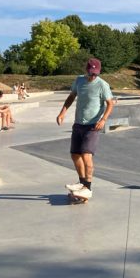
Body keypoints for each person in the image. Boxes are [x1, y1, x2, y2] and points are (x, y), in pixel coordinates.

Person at [56, 58, 114, 201]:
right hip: (78, 123)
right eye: (90, 73)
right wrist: (62, 112)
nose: (92, 76)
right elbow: (71, 96)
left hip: (93, 126)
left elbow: (110, 104)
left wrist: (103, 119)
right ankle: (82, 183)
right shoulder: (79, 81)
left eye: (95, 74)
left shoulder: (102, 85)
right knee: (75, 154)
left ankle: (87, 187)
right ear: (86, 70)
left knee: (86, 155)